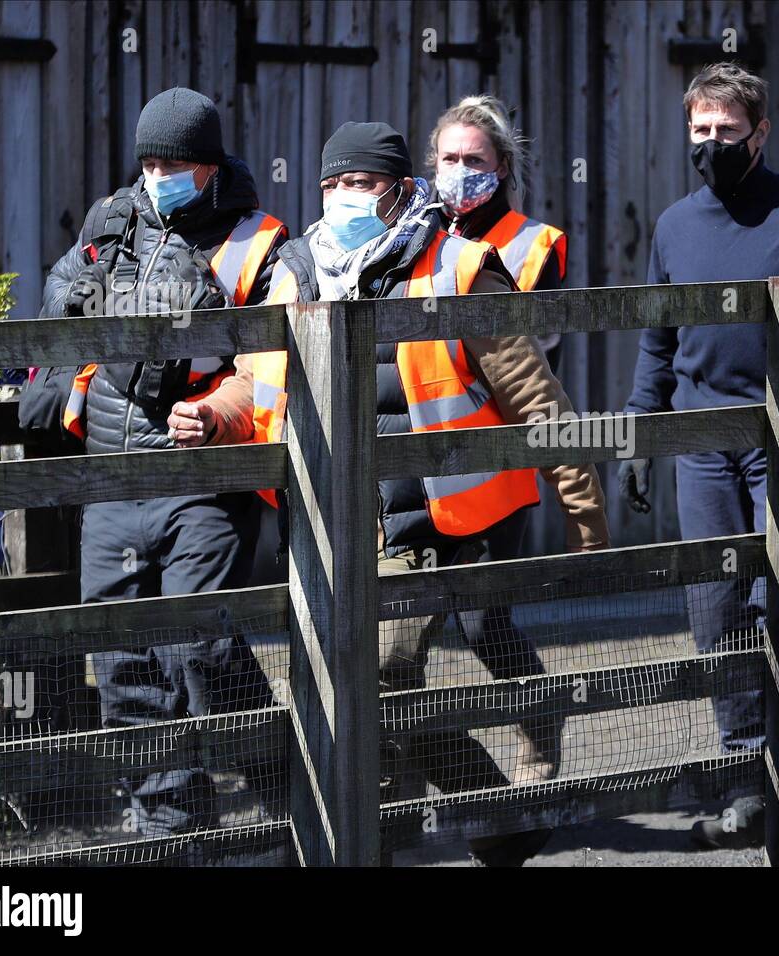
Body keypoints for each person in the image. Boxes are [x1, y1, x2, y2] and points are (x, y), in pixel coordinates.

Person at [240, 121, 609, 865]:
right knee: (367, 695)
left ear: (401, 188)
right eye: (334, 184)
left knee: (379, 672)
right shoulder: (296, 272)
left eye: (364, 183)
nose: (347, 197)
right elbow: (254, 385)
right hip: (335, 526)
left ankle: (437, 826)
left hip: (438, 523)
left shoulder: (463, 268)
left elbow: (541, 403)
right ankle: (488, 823)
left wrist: (585, 516)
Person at [18, 88, 288, 835]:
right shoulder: (113, 222)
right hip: (112, 472)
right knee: (123, 657)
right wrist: (48, 371)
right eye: (149, 160)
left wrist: (216, 412)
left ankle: (293, 791)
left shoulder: (259, 242)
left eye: (173, 162)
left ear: (208, 166)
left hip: (202, 476)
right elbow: (65, 296)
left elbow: (271, 361)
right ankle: (170, 827)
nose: (157, 173)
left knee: (201, 644)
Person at [615, 62, 779, 849]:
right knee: (715, 612)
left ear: (759, 132)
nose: (712, 144)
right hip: (699, 440)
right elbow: (658, 336)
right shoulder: (673, 225)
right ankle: (744, 773)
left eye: (727, 131)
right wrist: (638, 428)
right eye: (700, 131)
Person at [428, 94, 567, 367]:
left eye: (474, 160)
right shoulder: (415, 236)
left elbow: (541, 359)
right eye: (449, 159)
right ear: (436, 163)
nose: (460, 171)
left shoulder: (536, 245)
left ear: (501, 167)